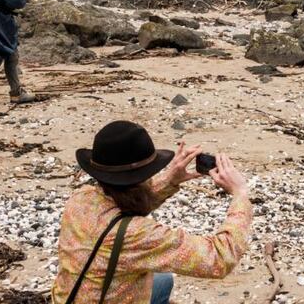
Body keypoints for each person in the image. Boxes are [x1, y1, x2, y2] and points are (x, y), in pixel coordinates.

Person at [51, 120, 252, 304]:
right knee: (161, 280)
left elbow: (125, 203)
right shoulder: (137, 234)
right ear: (144, 176)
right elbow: (218, 258)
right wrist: (240, 194)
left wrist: (170, 180)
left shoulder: (80, 199)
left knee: (162, 280)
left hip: (70, 298)